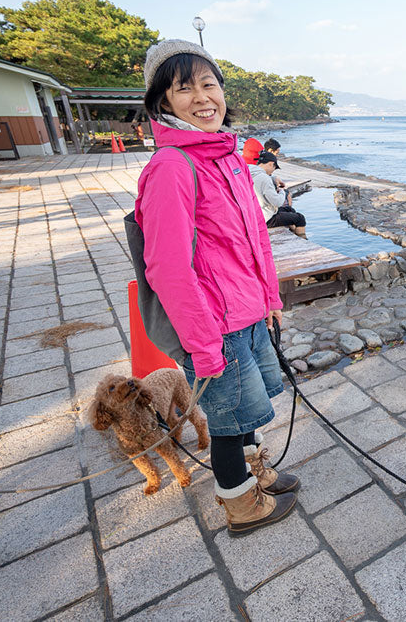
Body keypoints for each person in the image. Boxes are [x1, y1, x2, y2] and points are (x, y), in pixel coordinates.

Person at [136, 39, 299, 536]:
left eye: (210, 84)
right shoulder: (171, 168)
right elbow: (168, 269)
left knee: (247, 411)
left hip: (248, 313)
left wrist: (270, 300)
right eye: (185, 88)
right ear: (163, 101)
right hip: (214, 327)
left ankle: (255, 475)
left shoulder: (226, 157)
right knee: (227, 424)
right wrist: (203, 345)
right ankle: (241, 506)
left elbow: (254, 239)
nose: (203, 97)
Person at [248, 151, 308, 238]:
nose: (273, 171)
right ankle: (303, 240)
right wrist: (282, 191)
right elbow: (277, 202)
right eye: (274, 168)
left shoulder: (249, 171)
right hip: (264, 218)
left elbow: (258, 181)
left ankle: (294, 234)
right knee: (300, 218)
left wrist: (273, 178)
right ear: (271, 164)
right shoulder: (265, 179)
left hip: (253, 214)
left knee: (289, 210)